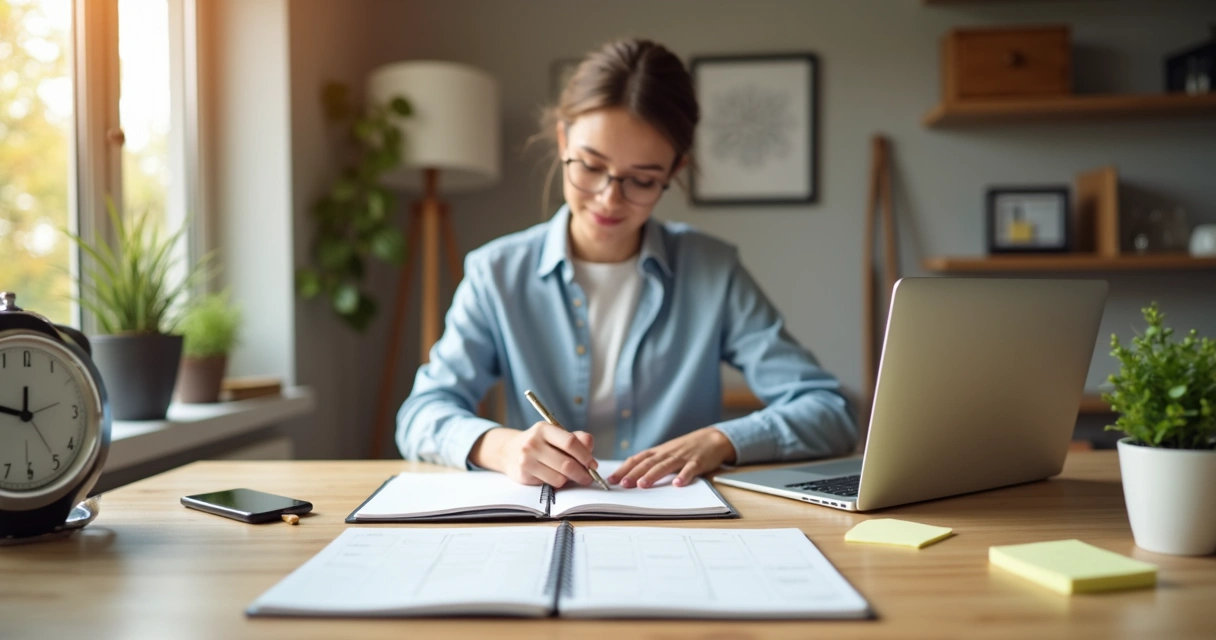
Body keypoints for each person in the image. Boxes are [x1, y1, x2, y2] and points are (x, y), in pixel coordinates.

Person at [396, 38, 856, 490]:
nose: (609, 198)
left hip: (679, 523)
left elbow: (829, 411)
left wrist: (721, 440)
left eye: (642, 179)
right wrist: (503, 448)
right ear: (562, 140)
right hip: (545, 522)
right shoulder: (496, 272)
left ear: (674, 171)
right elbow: (421, 415)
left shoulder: (712, 270)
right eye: (591, 167)